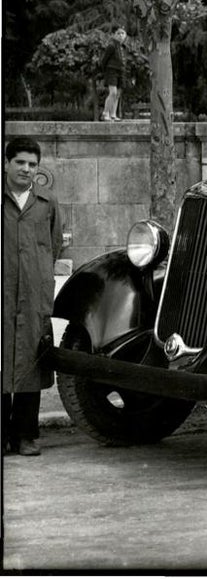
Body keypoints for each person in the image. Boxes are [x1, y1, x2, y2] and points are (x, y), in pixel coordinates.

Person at [2, 138, 64, 457]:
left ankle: (26, 435)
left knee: (30, 362)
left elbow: (54, 243)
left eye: (32, 164)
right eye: (20, 162)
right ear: (6, 164)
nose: (26, 169)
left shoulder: (46, 202)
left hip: (33, 293)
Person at [99, 27, 127, 122]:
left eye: (122, 33)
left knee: (118, 94)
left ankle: (113, 114)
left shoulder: (123, 47)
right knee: (113, 92)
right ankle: (105, 113)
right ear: (114, 35)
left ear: (125, 35)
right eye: (118, 33)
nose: (120, 35)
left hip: (121, 71)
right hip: (112, 71)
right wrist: (105, 71)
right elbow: (104, 60)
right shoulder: (111, 45)